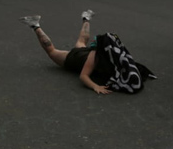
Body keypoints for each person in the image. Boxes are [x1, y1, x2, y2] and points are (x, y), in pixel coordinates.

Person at [18, 10, 156, 94]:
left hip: (83, 52)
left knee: (82, 41)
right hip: (74, 58)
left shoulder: (111, 55)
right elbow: (84, 76)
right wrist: (96, 87)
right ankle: (35, 25)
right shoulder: (96, 56)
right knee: (52, 51)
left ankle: (86, 18)